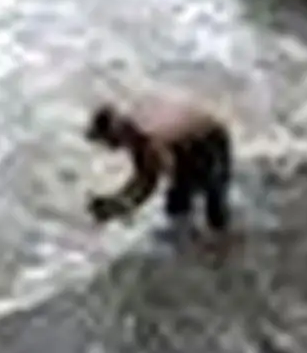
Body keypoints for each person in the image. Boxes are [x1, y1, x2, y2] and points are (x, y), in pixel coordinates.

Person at [83, 97, 234, 246]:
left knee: (201, 200)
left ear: (114, 132)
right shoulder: (135, 127)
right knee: (181, 201)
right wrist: (118, 202)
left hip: (207, 142)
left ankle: (220, 243)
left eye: (105, 140)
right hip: (197, 134)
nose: (106, 145)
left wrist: (116, 206)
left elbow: (148, 183)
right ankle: (205, 239)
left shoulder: (146, 140)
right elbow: (143, 176)